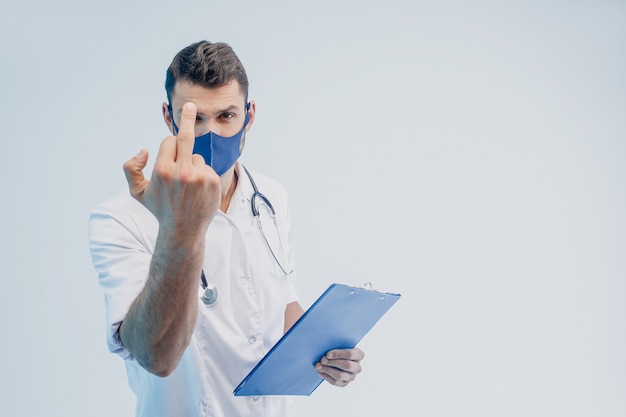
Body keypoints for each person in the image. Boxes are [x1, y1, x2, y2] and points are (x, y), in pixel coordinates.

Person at [88, 40, 365, 417]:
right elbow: (156, 356)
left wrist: (327, 352)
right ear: (170, 119)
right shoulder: (121, 218)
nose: (212, 132)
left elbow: (279, 299)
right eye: (195, 118)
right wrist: (180, 227)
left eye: (226, 116)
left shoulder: (271, 196)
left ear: (249, 116)